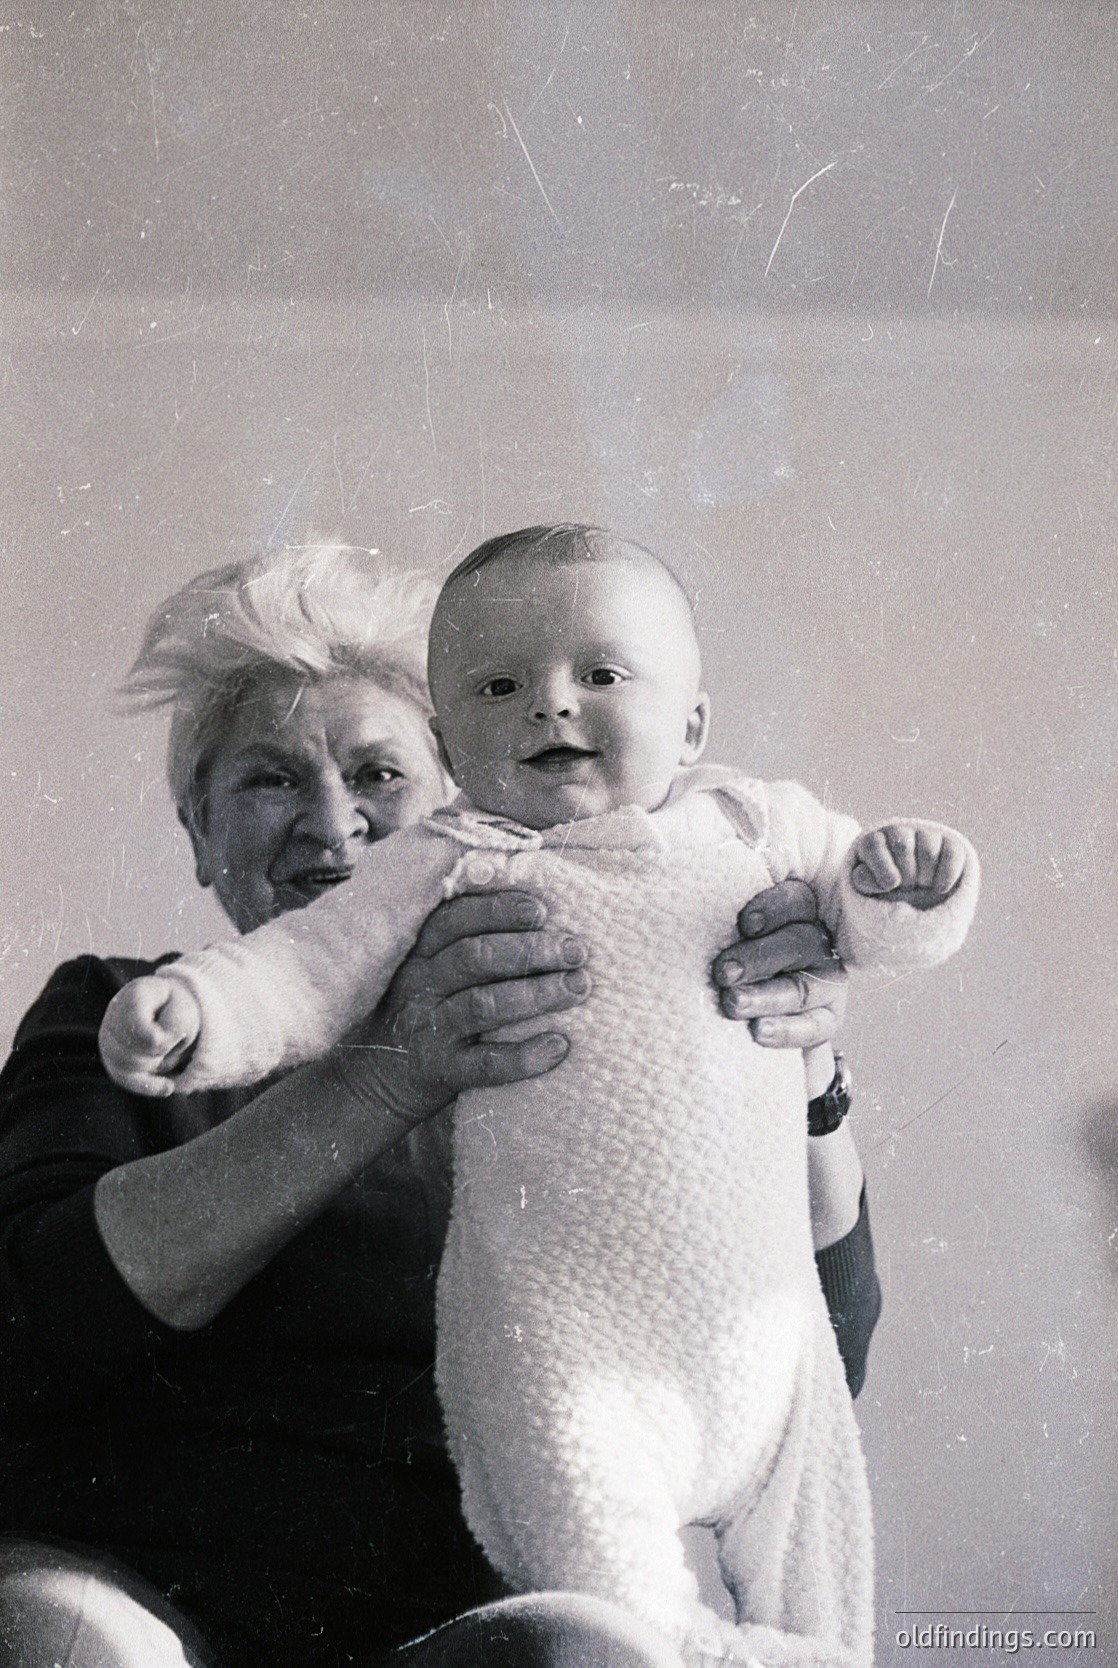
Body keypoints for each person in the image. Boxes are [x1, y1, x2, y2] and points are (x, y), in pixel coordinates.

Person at [0, 543, 880, 1668]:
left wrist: (793, 1060)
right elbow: (32, 1329)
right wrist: (383, 1070)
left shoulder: (586, 1026)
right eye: (269, 780)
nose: (333, 827)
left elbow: (820, 1351)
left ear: (457, 799)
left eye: (378, 775)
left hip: (467, 1619)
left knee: (593, 1652)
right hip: (136, 1584)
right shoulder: (118, 1011)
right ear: (199, 836)